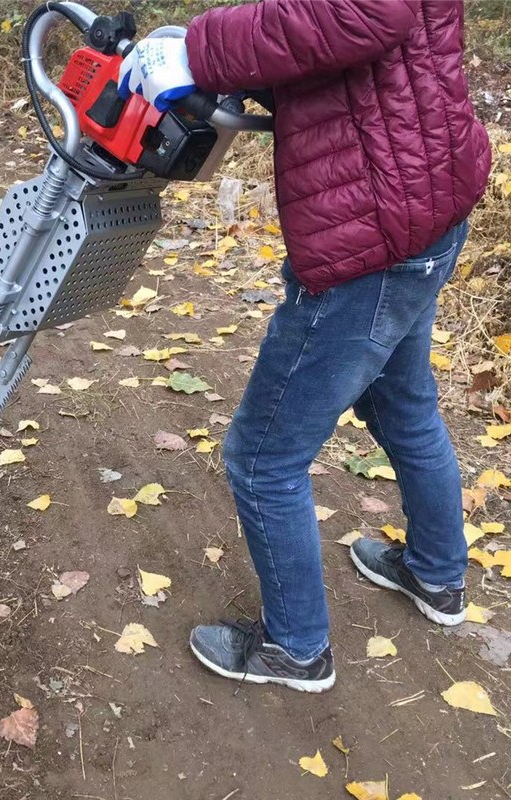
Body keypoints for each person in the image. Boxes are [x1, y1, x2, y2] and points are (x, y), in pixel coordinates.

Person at [119, 0, 490, 692]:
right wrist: (245, 66)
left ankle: (297, 648)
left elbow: (364, 12)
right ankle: (437, 576)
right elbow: (342, 46)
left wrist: (202, 50)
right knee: (402, 408)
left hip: (371, 236)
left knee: (262, 458)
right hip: (425, 199)